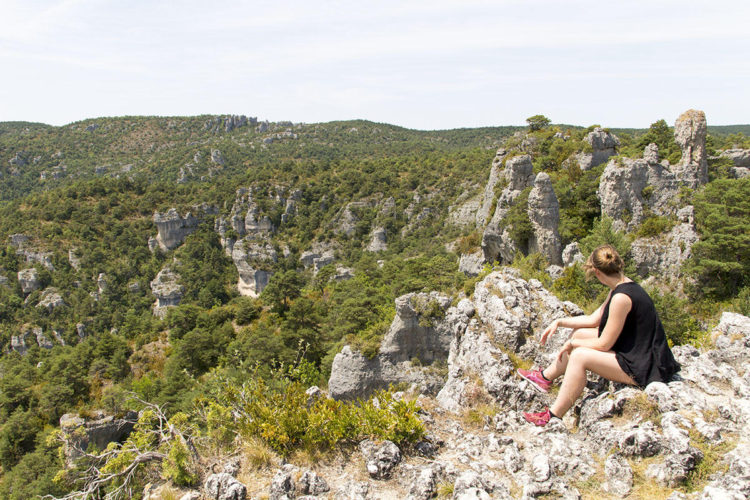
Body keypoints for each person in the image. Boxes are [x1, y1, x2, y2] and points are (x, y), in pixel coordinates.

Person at [517, 244, 680, 426]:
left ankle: (553, 416)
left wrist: (572, 344)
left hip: (645, 367)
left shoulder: (621, 298)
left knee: (579, 356)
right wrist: (560, 322)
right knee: (580, 334)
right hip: (637, 352)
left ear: (596, 271)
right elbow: (594, 319)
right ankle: (545, 377)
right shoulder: (622, 286)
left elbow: (604, 344)